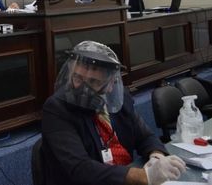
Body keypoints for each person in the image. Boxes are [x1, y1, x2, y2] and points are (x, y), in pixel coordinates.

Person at [42, 41, 184, 185]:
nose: (83, 89)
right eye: (77, 78)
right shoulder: (57, 108)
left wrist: (156, 158)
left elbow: (145, 137)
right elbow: (80, 169)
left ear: (110, 83)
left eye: (93, 82)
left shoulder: (119, 100)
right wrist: (145, 176)